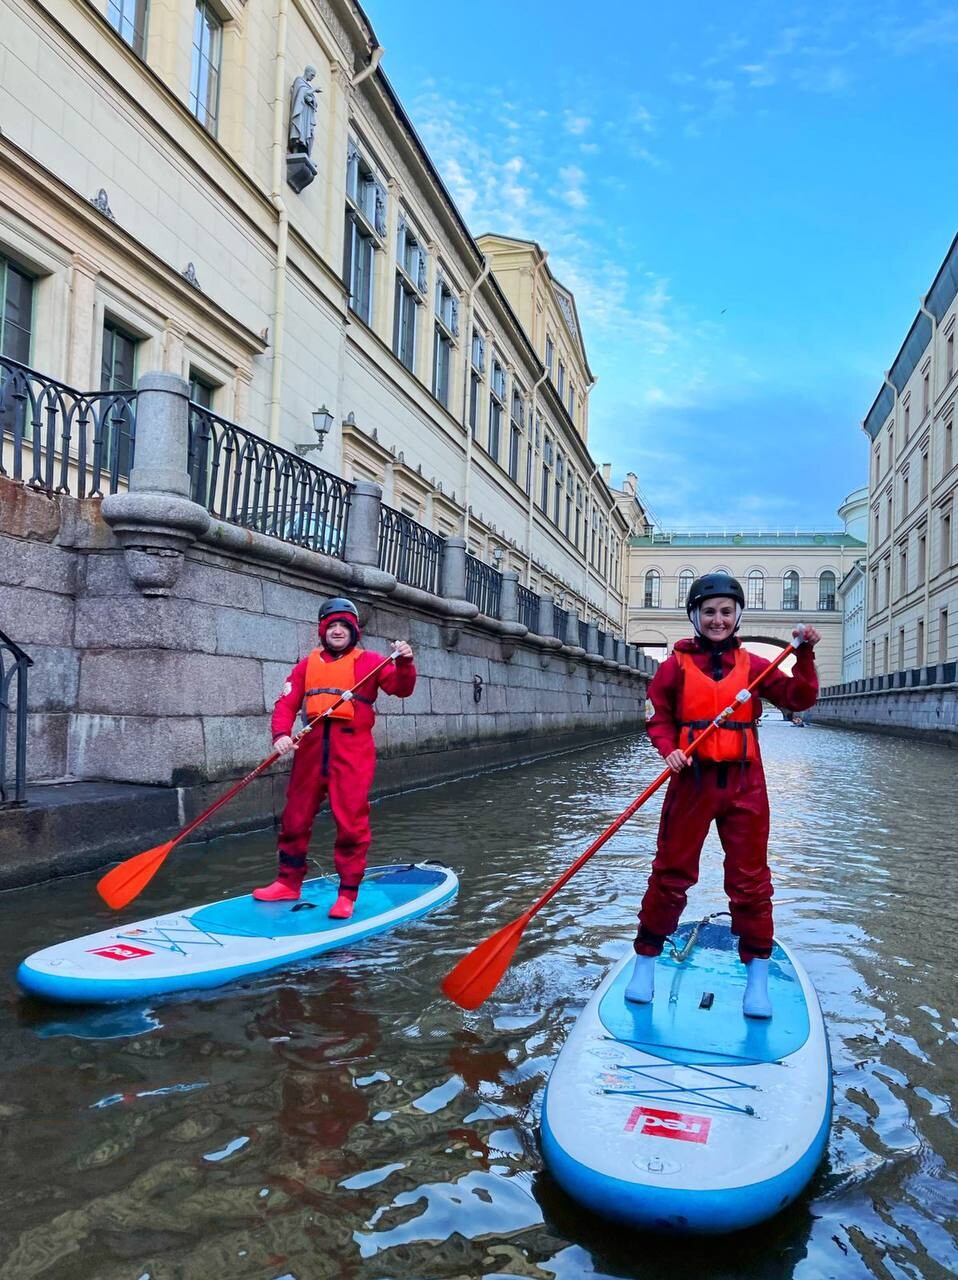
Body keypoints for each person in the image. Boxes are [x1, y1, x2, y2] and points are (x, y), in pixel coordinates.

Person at [626, 573, 821, 1018]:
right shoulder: (674, 666)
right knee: (670, 874)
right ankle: (645, 963)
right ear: (695, 615)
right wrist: (669, 749)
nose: (718, 619)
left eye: (726, 612)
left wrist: (805, 654)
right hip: (690, 781)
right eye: (709, 611)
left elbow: (800, 697)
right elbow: (658, 718)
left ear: (737, 617)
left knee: (750, 881)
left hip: (745, 783)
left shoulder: (755, 667)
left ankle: (756, 978)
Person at [253, 597, 415, 918]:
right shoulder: (305, 665)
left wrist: (405, 663)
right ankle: (287, 882)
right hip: (311, 754)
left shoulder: (372, 662)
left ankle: (347, 894)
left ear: (354, 630)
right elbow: (285, 704)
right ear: (322, 631)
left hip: (352, 754)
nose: (337, 631)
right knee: (294, 819)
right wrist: (281, 735)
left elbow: (401, 688)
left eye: (344, 626)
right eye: (332, 626)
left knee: (351, 824)